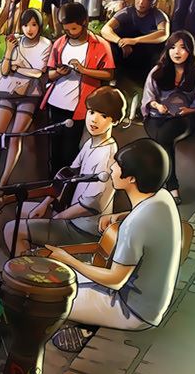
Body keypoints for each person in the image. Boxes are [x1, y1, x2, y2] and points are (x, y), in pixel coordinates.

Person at [48, 139, 181, 351]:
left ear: (132, 178)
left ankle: (86, 329)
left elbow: (115, 280)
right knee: (64, 278)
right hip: (150, 303)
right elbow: (144, 219)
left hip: (132, 310)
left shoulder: (135, 225)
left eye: (118, 165)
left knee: (50, 296)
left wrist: (68, 260)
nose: (111, 168)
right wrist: (119, 215)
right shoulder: (162, 197)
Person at [4, 86, 126, 256]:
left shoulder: (106, 155)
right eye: (91, 112)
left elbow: (92, 205)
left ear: (115, 121)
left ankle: (33, 268)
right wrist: (45, 203)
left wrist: (57, 218)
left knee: (11, 230)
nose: (94, 120)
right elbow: (67, 174)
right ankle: (33, 260)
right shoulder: (91, 143)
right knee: (23, 210)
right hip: (72, 216)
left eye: (103, 116)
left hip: (84, 228)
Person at [0, 8, 52, 189]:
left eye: (33, 24)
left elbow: (38, 72)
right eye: (25, 25)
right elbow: (4, 70)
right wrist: (9, 51)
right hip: (8, 91)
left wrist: (17, 68)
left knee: (15, 137)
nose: (29, 29)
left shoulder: (45, 44)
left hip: (30, 95)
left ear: (39, 26)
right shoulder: (16, 41)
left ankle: (3, 183)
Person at [41, 2, 115, 179]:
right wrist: (58, 73)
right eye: (66, 29)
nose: (70, 33)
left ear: (85, 22)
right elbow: (48, 74)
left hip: (79, 107)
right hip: (55, 102)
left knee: (70, 153)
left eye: (74, 29)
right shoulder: (59, 43)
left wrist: (83, 70)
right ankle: (51, 186)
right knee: (53, 150)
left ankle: (65, 188)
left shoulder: (100, 44)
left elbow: (108, 73)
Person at [142, 30, 195, 205]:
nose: (176, 52)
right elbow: (148, 98)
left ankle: (160, 186)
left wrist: (189, 110)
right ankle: (171, 188)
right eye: (172, 47)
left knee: (163, 137)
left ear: (190, 51)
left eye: (182, 48)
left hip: (182, 118)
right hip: (156, 117)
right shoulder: (158, 71)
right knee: (162, 138)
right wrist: (157, 106)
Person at [101, 0, 169, 83]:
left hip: (145, 57)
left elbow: (164, 33)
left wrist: (135, 40)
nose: (142, 3)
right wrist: (120, 42)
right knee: (110, 45)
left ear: (154, 1)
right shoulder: (127, 12)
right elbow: (105, 29)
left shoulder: (159, 15)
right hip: (126, 53)